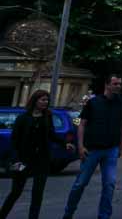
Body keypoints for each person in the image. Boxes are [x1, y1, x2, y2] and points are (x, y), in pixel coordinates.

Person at [0, 90, 74, 219]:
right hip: (23, 160)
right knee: (15, 192)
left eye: (47, 100)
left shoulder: (48, 116)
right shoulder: (23, 118)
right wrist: (16, 159)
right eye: (42, 100)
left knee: (37, 194)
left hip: (42, 160)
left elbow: (51, 134)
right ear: (35, 100)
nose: (45, 102)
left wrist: (64, 144)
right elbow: (15, 140)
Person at [62, 75, 122, 219]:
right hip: (91, 149)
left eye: (120, 84)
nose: (118, 86)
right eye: (115, 83)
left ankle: (104, 216)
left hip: (111, 149)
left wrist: (121, 146)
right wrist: (80, 146)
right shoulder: (93, 103)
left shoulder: (121, 103)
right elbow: (81, 124)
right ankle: (68, 213)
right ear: (107, 85)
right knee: (80, 183)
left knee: (109, 184)